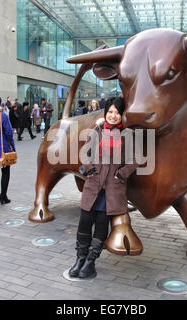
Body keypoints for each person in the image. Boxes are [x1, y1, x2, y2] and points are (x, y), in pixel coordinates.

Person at [68, 96, 140, 279]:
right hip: (93, 185)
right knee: (84, 222)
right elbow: (85, 154)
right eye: (110, 112)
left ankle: (90, 262)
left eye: (117, 112)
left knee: (101, 227)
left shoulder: (127, 135)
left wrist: (121, 174)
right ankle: (79, 259)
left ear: (121, 115)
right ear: (105, 113)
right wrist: (90, 168)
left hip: (112, 189)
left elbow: (134, 160)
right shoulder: (96, 131)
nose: (113, 116)